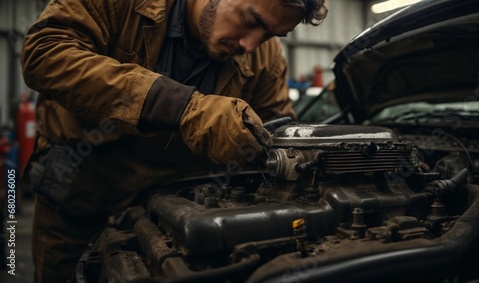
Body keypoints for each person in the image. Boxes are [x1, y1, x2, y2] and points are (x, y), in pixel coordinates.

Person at [20, 0, 328, 282]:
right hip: (78, 186)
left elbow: (277, 131)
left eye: (270, 34)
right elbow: (45, 54)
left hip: (171, 203)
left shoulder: (265, 57)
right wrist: (180, 107)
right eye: (249, 20)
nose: (250, 45)